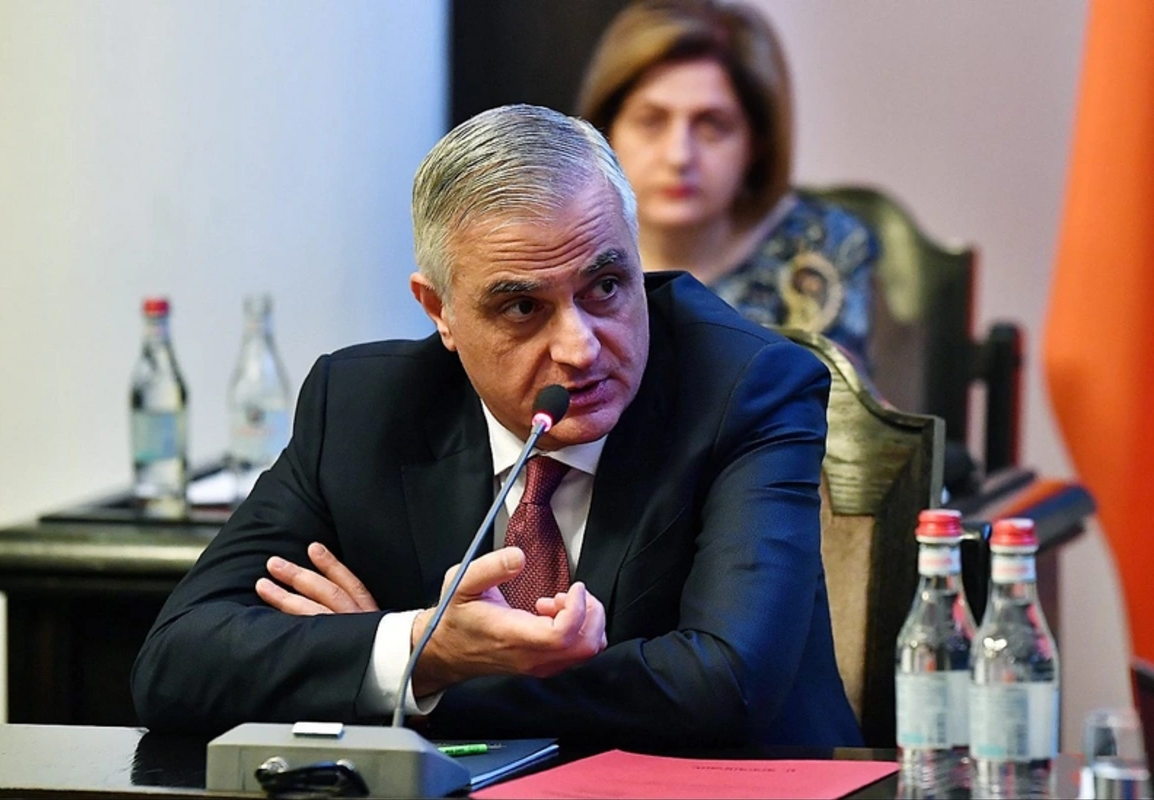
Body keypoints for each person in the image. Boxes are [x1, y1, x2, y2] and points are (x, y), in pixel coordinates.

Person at [131, 104, 862, 749]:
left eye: (607, 286)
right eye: (522, 308)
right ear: (440, 312)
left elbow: (723, 686)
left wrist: (422, 669)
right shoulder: (359, 407)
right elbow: (174, 665)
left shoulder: (747, 387)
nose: (580, 348)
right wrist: (420, 643)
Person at [576, 0, 877, 369]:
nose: (679, 156)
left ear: (757, 142)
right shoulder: (564, 247)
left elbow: (834, 398)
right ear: (604, 130)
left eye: (712, 125)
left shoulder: (821, 245)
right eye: (651, 121)